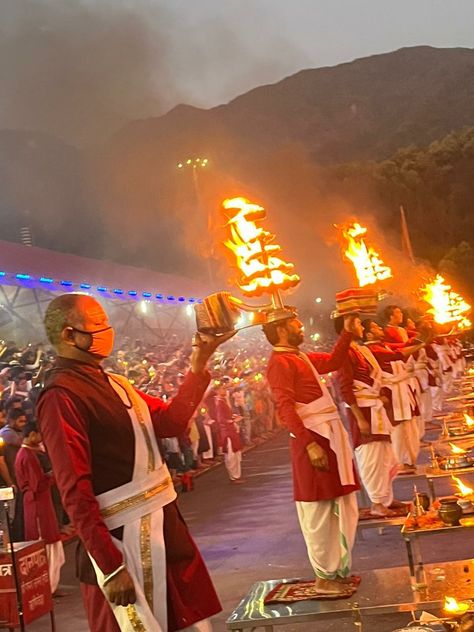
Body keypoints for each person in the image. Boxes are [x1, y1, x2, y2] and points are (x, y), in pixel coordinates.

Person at [36, 294, 233, 632]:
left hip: (164, 532)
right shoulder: (60, 396)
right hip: (120, 544)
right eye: (98, 324)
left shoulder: (116, 383)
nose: (107, 329)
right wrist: (111, 567)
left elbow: (170, 423)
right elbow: (74, 490)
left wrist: (200, 359)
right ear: (69, 335)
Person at [263, 310, 360, 597]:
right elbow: (285, 407)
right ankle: (324, 576)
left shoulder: (299, 356)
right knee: (317, 509)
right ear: (281, 329)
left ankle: (337, 571)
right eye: (295, 322)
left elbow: (332, 361)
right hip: (313, 439)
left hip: (328, 437)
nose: (300, 324)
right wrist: (309, 443)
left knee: (342, 504)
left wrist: (348, 332)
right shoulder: (279, 362)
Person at [335, 315, 398, 517]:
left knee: (384, 453)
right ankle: (377, 503)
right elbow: (345, 389)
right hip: (363, 411)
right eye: (359, 324)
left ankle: (386, 498)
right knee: (371, 455)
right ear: (348, 327)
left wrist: (380, 395)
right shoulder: (344, 353)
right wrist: (360, 418)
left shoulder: (360, 350)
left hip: (374, 407)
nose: (361, 327)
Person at [362, 319, 424, 472]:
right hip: (391, 392)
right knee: (398, 431)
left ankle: (410, 460)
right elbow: (399, 354)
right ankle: (400, 463)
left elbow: (403, 346)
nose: (379, 327)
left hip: (402, 389)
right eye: (376, 326)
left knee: (409, 428)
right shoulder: (371, 350)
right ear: (369, 335)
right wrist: (422, 343)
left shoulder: (384, 345)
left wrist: (423, 337)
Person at [14, 421, 65, 593]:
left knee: (52, 546)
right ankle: (48, 588)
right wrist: (53, 476)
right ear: (32, 435)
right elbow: (37, 484)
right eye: (39, 434)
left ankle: (50, 586)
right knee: (46, 546)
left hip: (39, 503)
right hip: (37, 505)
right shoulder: (27, 455)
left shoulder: (28, 453)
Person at [215, 384, 243, 483]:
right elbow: (221, 419)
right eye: (222, 389)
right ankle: (233, 476)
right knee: (231, 456)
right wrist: (233, 420)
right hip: (227, 432)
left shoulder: (223, 401)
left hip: (231, 430)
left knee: (235, 455)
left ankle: (236, 476)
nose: (225, 390)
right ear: (217, 391)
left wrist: (233, 418)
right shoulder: (219, 403)